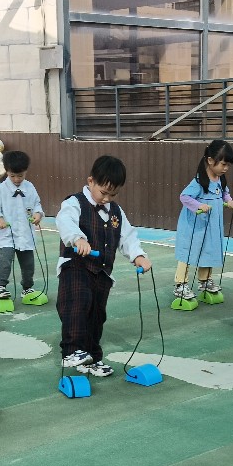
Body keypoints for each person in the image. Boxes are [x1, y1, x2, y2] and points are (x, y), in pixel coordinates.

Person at [55, 155, 152, 378]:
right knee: (78, 304)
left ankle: (92, 357)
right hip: (76, 267)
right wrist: (78, 238)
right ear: (91, 181)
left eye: (113, 194)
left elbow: (127, 236)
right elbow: (65, 220)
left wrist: (138, 255)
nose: (106, 198)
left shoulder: (116, 212)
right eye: (103, 192)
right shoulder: (74, 203)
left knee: (97, 316)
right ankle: (71, 351)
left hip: (102, 272)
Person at [172, 139, 233, 305]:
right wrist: (199, 205)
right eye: (223, 164)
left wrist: (228, 200)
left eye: (228, 165)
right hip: (195, 226)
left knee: (209, 250)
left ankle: (205, 281)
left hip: (212, 226)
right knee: (188, 252)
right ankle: (180, 284)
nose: (226, 168)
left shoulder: (220, 180)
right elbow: (184, 197)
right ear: (210, 160)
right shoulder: (199, 181)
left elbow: (225, 193)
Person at [0, 149, 44, 306]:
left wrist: (38, 214)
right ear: (6, 172)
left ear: (26, 172)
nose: (17, 179)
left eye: (20, 175)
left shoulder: (30, 187)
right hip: (7, 235)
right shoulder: (1, 189)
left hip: (25, 234)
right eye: (12, 176)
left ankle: (27, 288)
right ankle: (0, 287)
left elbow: (37, 204)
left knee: (28, 264)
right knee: (5, 261)